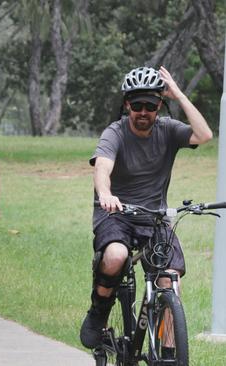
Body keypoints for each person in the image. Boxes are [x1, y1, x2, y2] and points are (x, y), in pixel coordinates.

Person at [79, 66, 212, 350]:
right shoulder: (114, 132)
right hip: (115, 214)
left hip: (154, 218)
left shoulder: (168, 130)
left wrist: (177, 93)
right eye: (136, 105)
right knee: (116, 255)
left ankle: (168, 351)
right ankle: (98, 311)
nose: (143, 112)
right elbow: (102, 166)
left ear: (159, 106)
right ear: (127, 104)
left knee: (170, 281)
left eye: (150, 106)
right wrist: (105, 193)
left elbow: (204, 136)